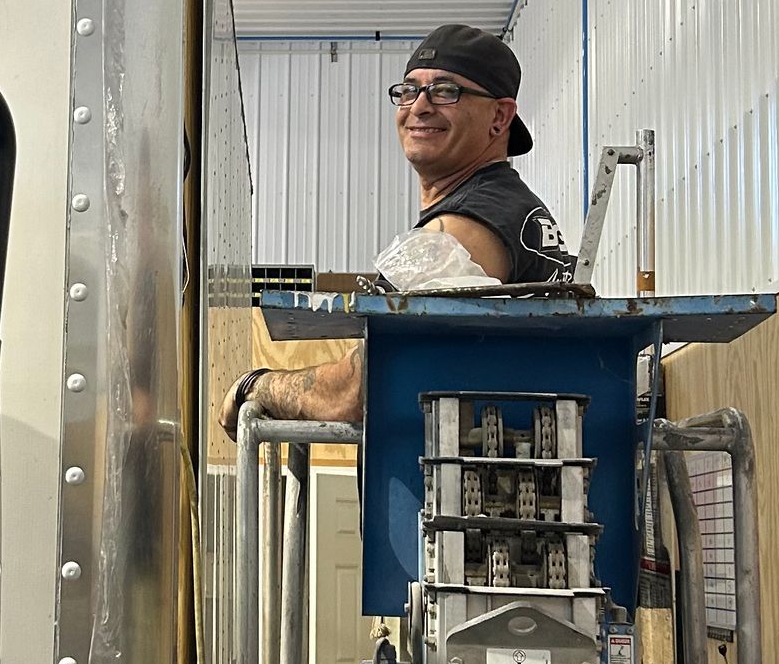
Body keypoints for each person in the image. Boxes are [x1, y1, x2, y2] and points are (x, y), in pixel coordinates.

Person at [219, 24, 574, 434]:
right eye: (409, 91)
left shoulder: (466, 229)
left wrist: (256, 386)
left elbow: (358, 388)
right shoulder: (505, 210)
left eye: (446, 91)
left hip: (463, 495)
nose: (419, 107)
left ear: (499, 117)